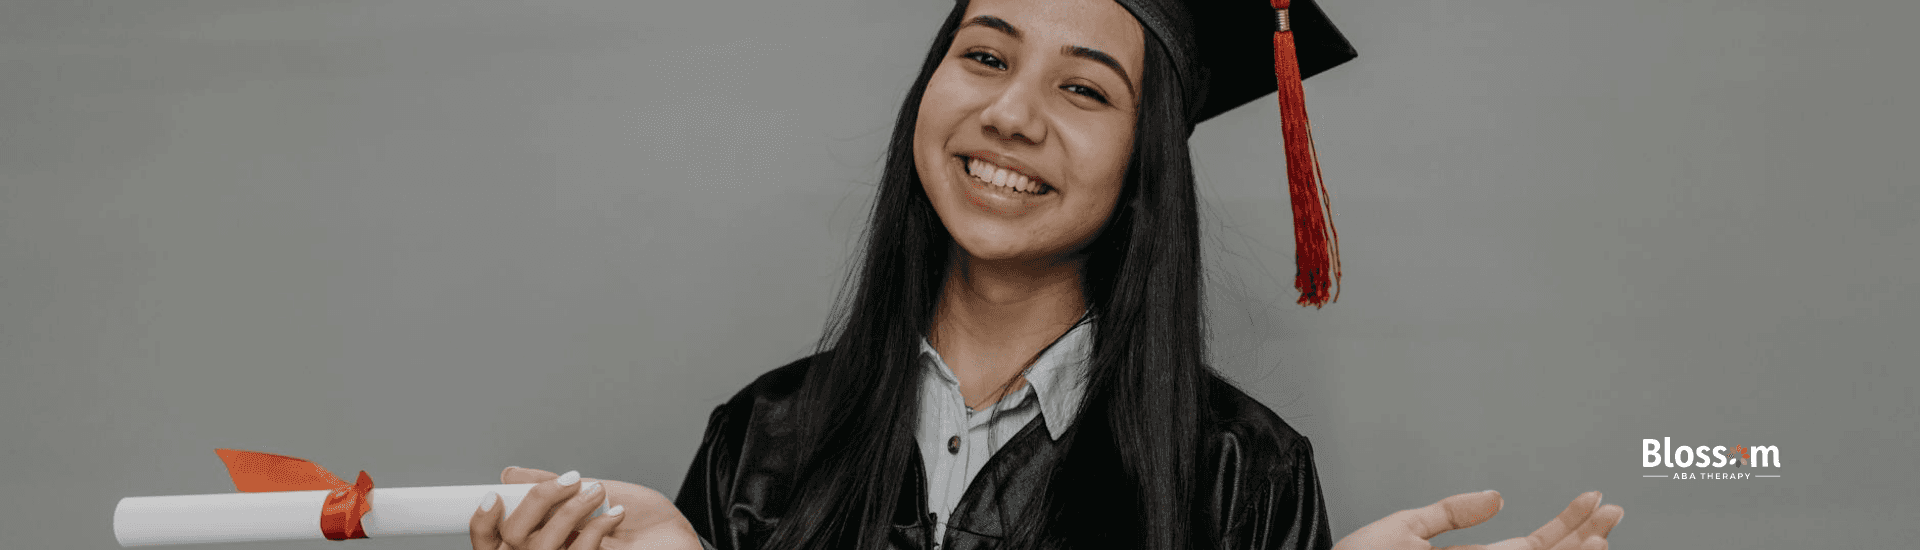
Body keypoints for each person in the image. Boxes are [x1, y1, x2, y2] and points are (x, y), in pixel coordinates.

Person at [468, 0, 1626, 549]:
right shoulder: (764, 436)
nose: (1010, 116)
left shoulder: (1240, 475)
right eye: (983, 56)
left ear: (1143, 166)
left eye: (1083, 88)